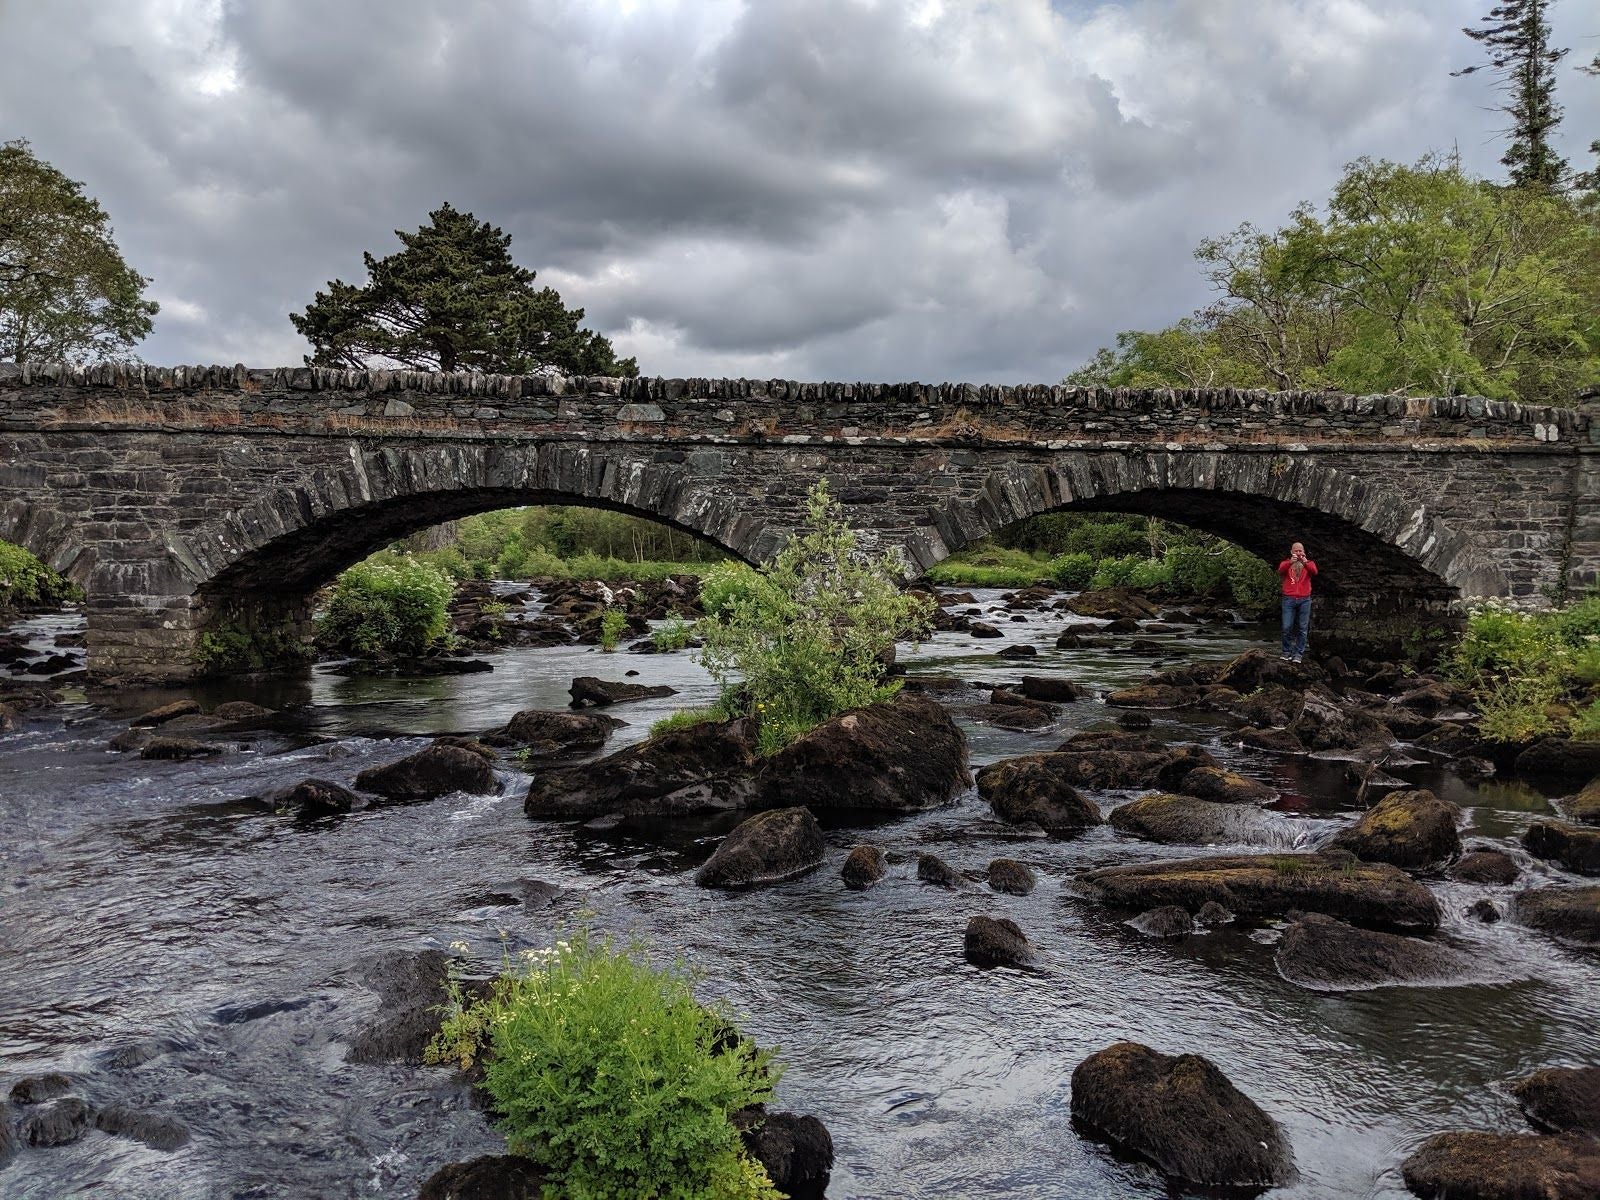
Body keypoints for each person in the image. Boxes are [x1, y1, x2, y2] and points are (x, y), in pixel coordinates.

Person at [1278, 542, 1317, 663]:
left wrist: (1305, 561)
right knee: (1286, 627)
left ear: (1304, 552)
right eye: (1296, 551)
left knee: (1302, 628)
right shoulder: (1286, 563)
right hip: (1288, 599)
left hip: (1304, 599)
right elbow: (1280, 571)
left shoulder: (1309, 563)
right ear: (1291, 552)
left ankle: (1298, 654)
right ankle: (1286, 651)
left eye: (1300, 551)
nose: (1298, 553)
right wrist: (1291, 562)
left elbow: (1314, 572)